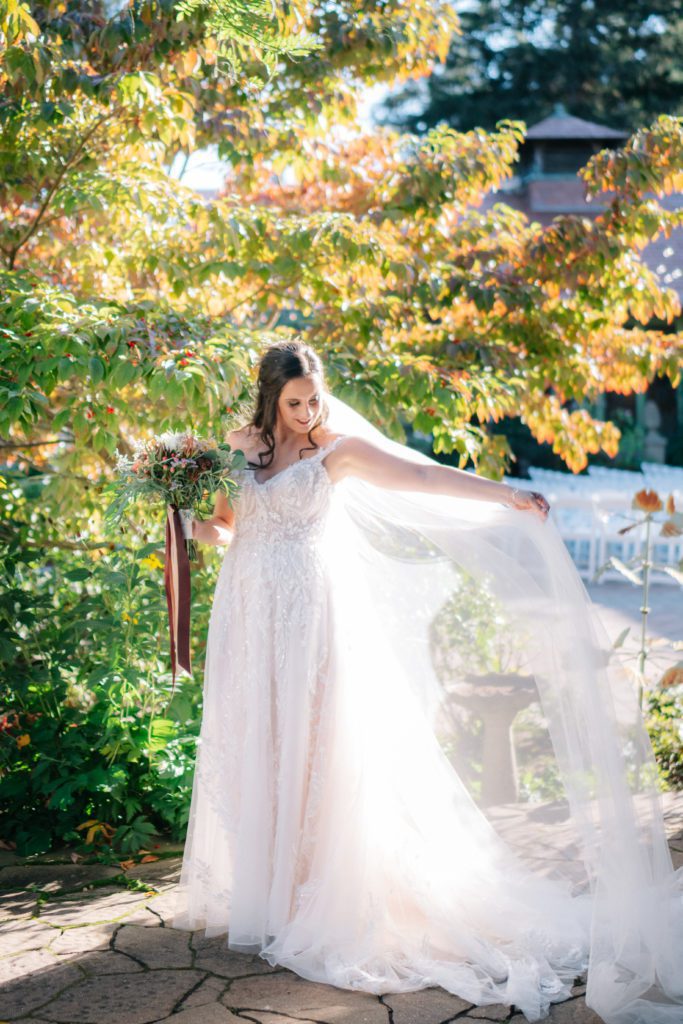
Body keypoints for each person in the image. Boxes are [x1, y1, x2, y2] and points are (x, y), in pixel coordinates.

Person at [173, 341, 683, 1024]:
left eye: (312, 399)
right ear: (268, 400)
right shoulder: (241, 449)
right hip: (249, 616)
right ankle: (273, 891)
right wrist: (184, 522)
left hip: (309, 618)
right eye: (292, 403)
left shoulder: (338, 452)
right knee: (260, 743)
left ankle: (317, 896)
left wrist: (503, 495)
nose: (305, 412)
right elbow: (233, 531)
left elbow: (421, 479)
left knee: (317, 749)